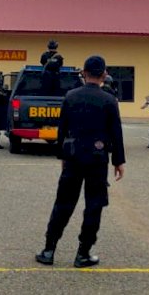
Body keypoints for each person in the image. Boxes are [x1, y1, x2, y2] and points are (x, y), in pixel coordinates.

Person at [36, 55, 125, 268]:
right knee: (94, 205)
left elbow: (62, 129)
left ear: (84, 73)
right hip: (97, 158)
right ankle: (83, 253)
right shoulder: (109, 100)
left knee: (63, 203)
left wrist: (62, 156)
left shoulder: (70, 96)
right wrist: (118, 161)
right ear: (104, 74)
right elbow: (116, 133)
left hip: (73, 156)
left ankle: (49, 250)